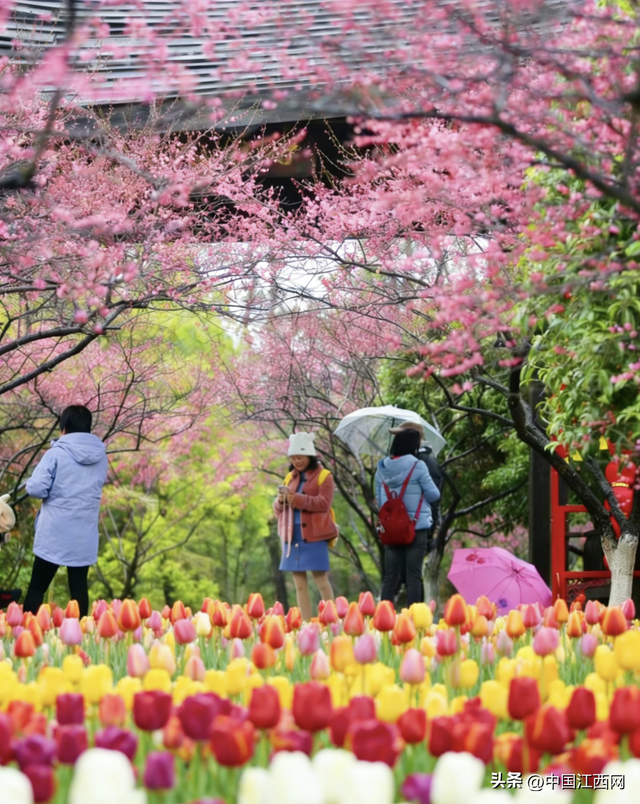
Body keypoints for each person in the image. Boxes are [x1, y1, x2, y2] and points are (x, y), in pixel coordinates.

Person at [23, 405, 108, 619]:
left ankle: (24, 634)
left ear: (64, 429)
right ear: (88, 428)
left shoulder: (56, 454)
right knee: (78, 588)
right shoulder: (101, 456)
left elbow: (36, 488)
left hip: (54, 530)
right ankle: (81, 636)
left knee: (37, 587)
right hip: (83, 532)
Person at [274, 432, 336, 622]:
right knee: (299, 583)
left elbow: (324, 504)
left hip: (315, 535)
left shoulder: (325, 476)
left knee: (321, 579)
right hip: (292, 535)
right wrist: (281, 501)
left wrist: (298, 500)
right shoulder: (289, 478)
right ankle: (307, 625)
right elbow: (278, 510)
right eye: (293, 458)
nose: (296, 461)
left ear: (310, 456)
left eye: (299, 457)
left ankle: (332, 621)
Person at [376, 428, 440, 606]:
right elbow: (434, 495)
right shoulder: (418, 465)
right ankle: (414, 620)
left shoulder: (381, 468)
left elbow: (380, 501)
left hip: (391, 529)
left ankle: (384, 618)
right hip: (415, 526)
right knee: (413, 575)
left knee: (390, 576)